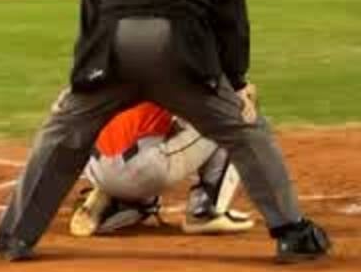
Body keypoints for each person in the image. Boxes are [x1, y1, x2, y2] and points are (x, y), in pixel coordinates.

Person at [0, 0, 329, 263]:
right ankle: (292, 234)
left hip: (110, 51)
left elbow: (91, 14)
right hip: (177, 52)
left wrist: (80, 81)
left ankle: (13, 236)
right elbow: (230, 21)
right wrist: (236, 83)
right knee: (245, 131)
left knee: (62, 134)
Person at [67, 101, 256, 237]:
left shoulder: (124, 63)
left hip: (94, 162)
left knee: (152, 128)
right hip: (137, 168)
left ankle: (118, 201)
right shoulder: (176, 66)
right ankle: (203, 211)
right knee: (232, 113)